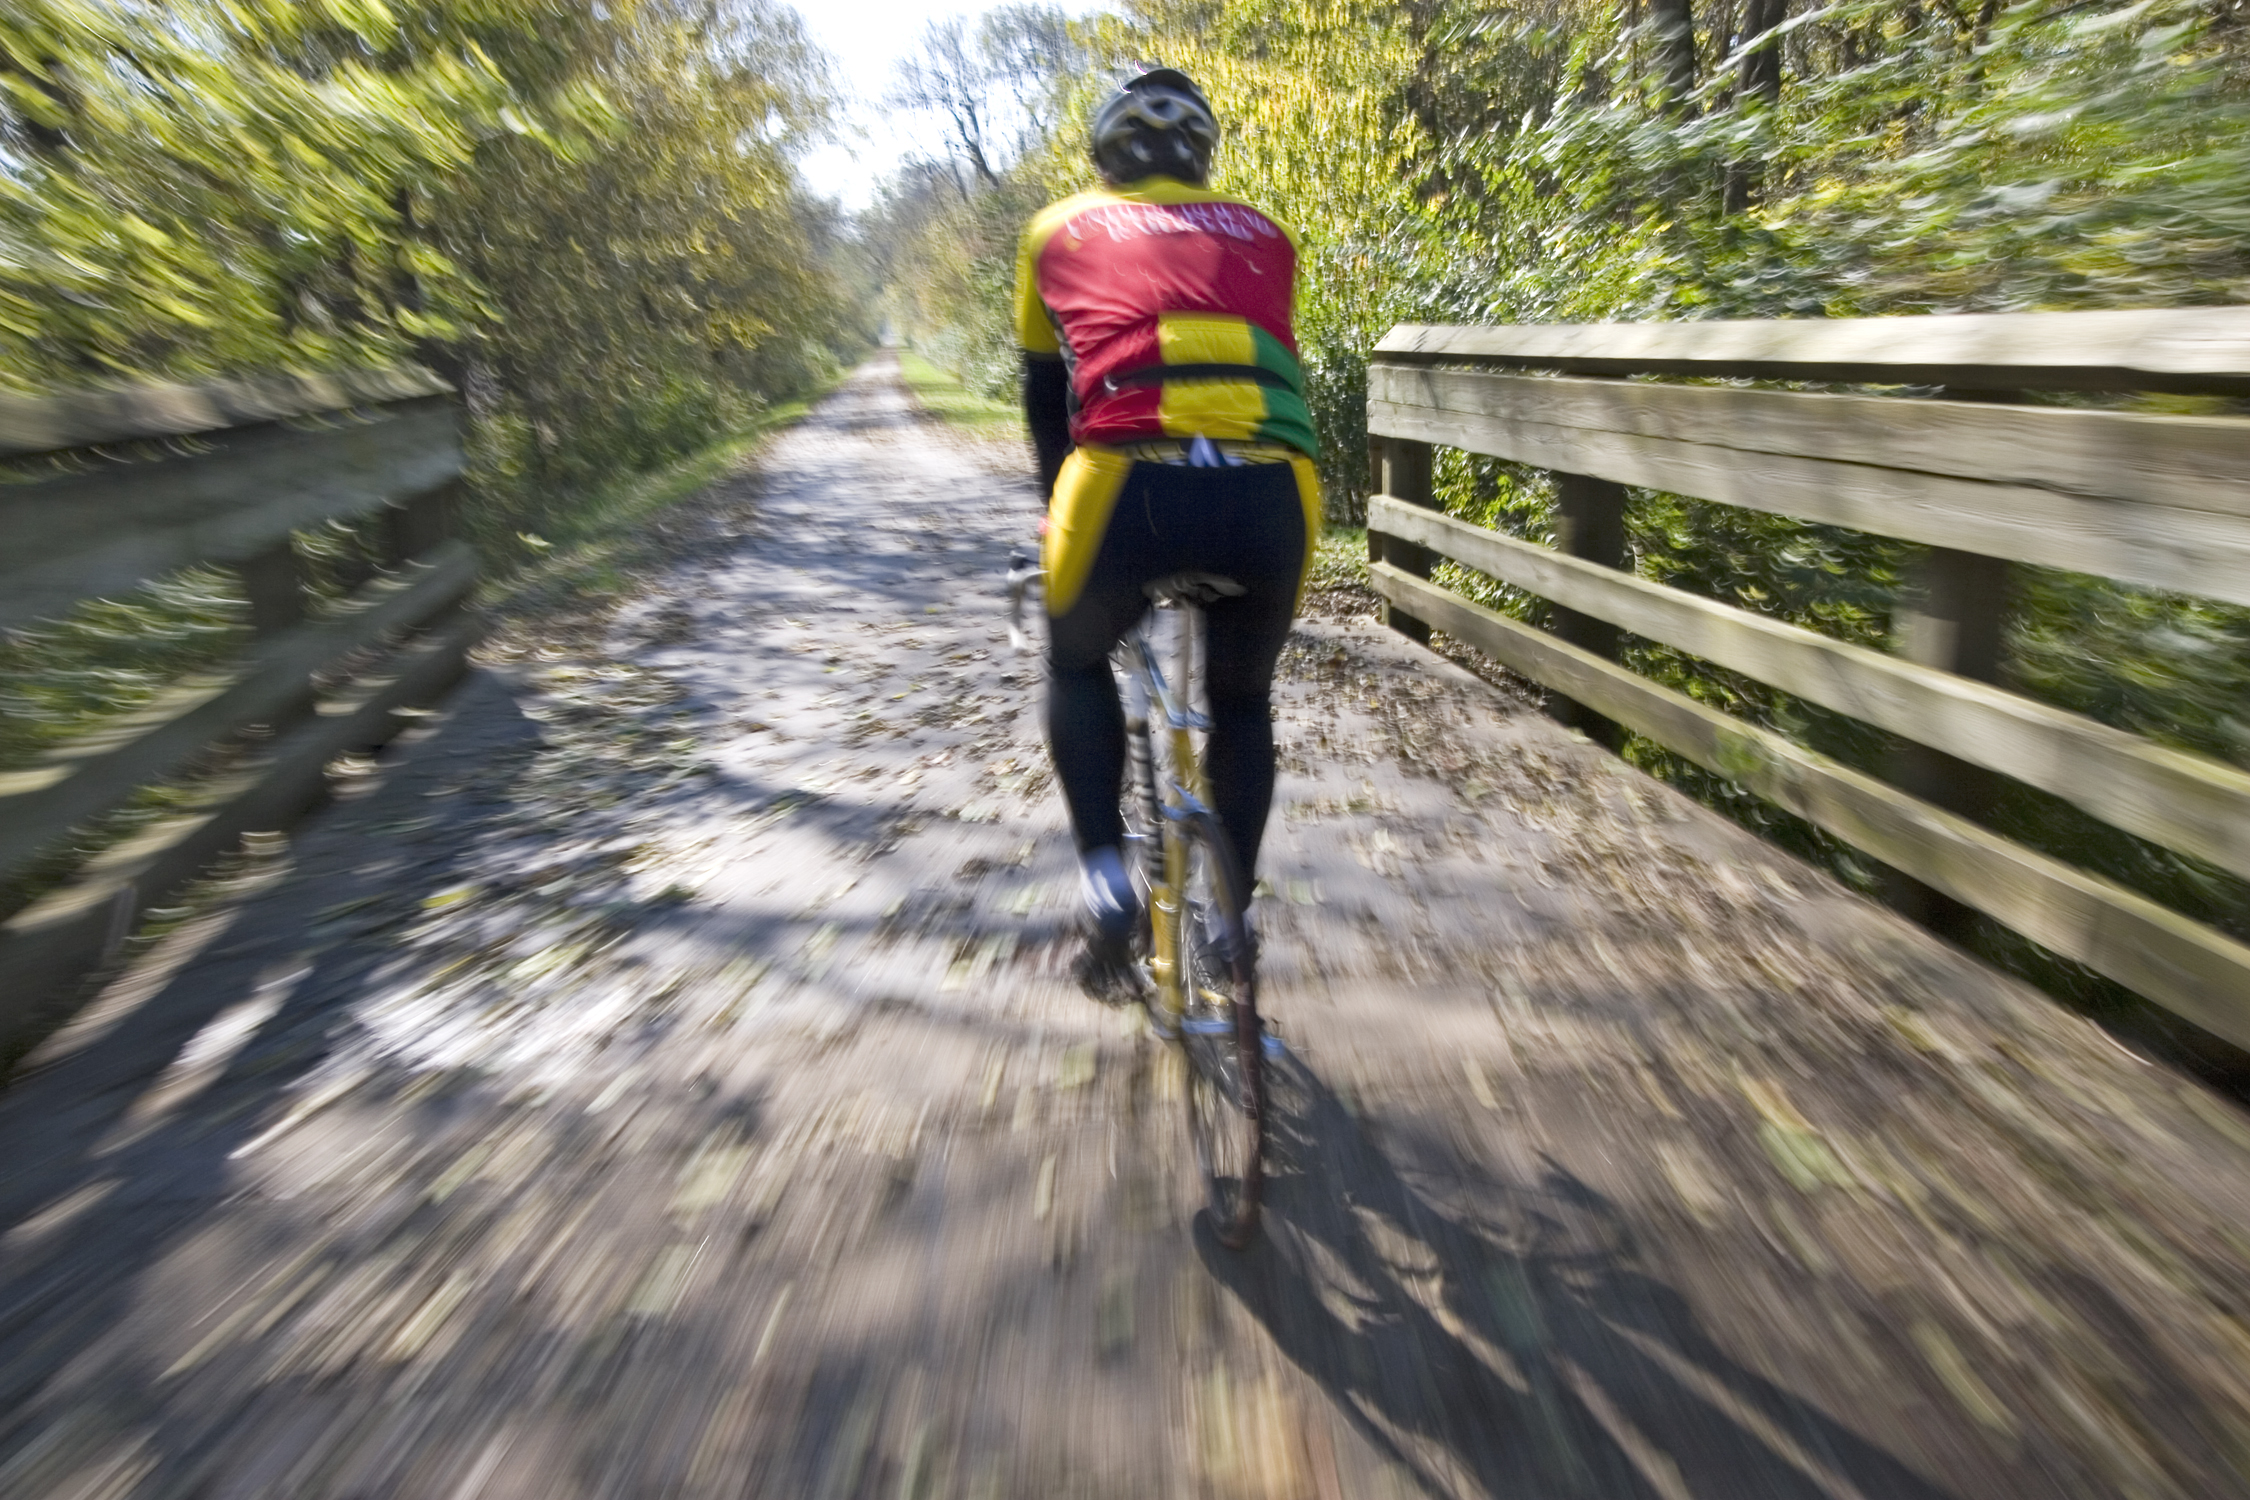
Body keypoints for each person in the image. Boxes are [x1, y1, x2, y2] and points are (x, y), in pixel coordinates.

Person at [1013, 67, 1323, 998]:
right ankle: (1236, 916)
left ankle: (1107, 880)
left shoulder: (1055, 229)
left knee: (1073, 661)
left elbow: (1044, 396)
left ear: (1106, 155)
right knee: (1242, 700)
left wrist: (1052, 505)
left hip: (1123, 495)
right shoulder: (1271, 232)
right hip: (1275, 498)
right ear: (1204, 157)